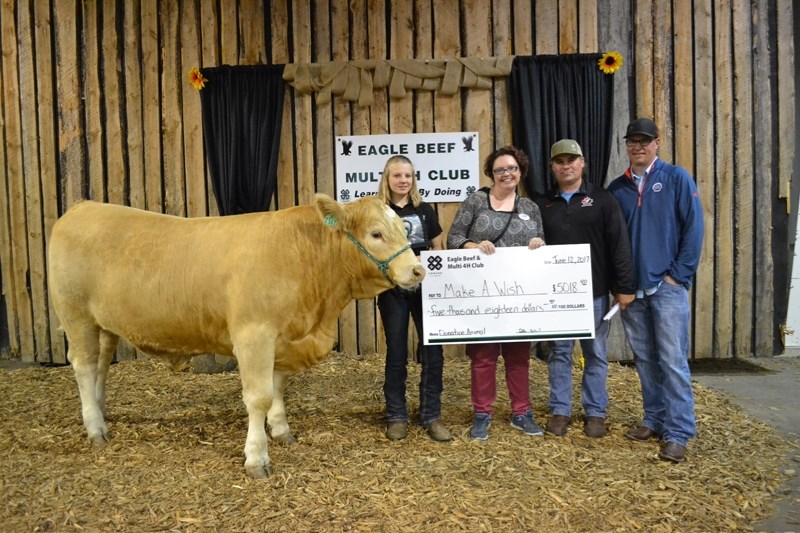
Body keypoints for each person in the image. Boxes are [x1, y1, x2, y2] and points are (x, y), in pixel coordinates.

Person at [607, 118, 704, 463]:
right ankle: (654, 420)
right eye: (632, 141)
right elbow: (613, 241)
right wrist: (620, 284)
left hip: (666, 288)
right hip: (632, 292)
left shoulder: (676, 178)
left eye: (644, 141)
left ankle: (678, 433)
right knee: (646, 359)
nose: (638, 146)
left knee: (673, 360)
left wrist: (678, 276)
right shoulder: (617, 188)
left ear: (657, 143)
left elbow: (694, 228)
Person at [535, 139, 635, 438]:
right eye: (560, 161)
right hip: (557, 296)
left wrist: (624, 286)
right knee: (560, 353)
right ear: (552, 166)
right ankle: (560, 410)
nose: (566, 165)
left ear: (583, 163)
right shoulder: (543, 204)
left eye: (572, 160)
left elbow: (619, 243)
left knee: (595, 354)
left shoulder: (602, 199)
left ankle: (595, 412)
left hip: (593, 292)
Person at [447, 146, 546, 440]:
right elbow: (454, 238)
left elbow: (543, 242)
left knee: (518, 357)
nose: (507, 174)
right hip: (483, 294)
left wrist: (539, 244)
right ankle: (482, 413)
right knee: (483, 357)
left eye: (512, 168)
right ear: (491, 173)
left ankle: (521, 412)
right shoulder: (476, 201)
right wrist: (474, 246)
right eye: (501, 169)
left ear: (521, 171)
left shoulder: (530, 208)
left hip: (519, 295)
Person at [376, 155, 452, 443]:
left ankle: (431, 415)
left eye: (408, 175)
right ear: (387, 178)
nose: (403, 180)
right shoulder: (379, 211)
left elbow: (437, 247)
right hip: (392, 289)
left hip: (426, 288)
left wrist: (427, 263)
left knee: (433, 351)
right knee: (396, 352)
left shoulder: (424, 210)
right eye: (397, 175)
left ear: (413, 179)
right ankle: (396, 416)